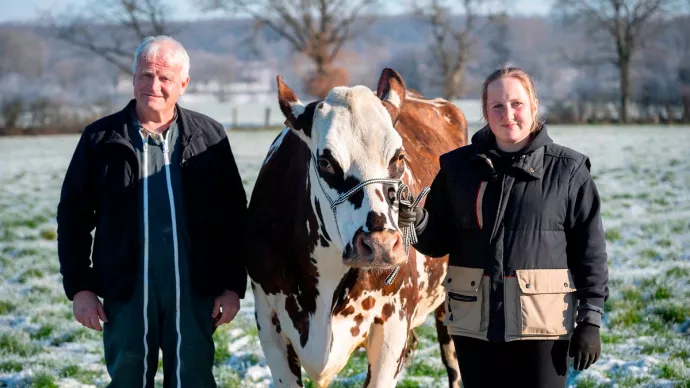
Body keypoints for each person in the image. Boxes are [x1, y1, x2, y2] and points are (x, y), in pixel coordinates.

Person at [399, 64, 609, 387]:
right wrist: (418, 223)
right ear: (485, 111)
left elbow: (590, 253)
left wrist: (590, 321)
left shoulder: (569, 171)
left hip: (543, 328)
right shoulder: (457, 169)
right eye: (497, 106)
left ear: (534, 106)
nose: (507, 114)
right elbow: (438, 242)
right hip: (474, 326)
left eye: (516, 104)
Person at [56, 35, 248, 387]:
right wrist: (80, 288)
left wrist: (232, 286)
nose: (153, 86)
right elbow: (73, 218)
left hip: (194, 292)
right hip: (126, 292)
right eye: (145, 75)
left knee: (193, 380)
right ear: (133, 78)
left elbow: (234, 218)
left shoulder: (211, 137)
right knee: (128, 379)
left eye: (165, 78)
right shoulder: (100, 139)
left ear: (183, 84)